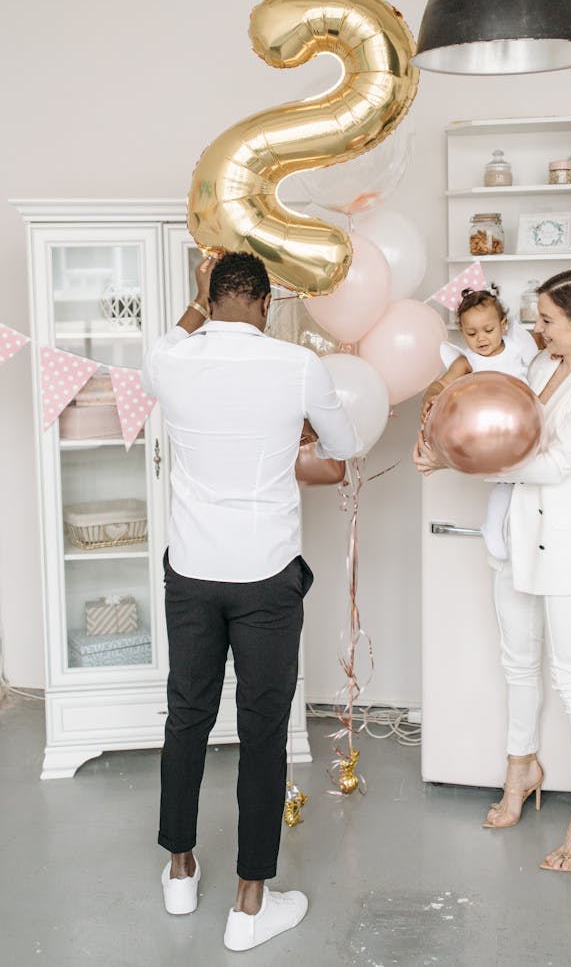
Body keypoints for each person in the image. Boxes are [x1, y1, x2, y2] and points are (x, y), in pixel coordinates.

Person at [142, 251, 360, 950]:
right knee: (263, 730)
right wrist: (290, 429)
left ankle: (180, 872)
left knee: (187, 716)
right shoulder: (296, 364)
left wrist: (196, 302)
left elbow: (174, 338)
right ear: (267, 304)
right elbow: (346, 443)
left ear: (211, 298)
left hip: (194, 571)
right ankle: (249, 904)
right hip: (265, 575)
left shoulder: (169, 362)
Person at [414, 269, 571, 873]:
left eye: (545, 320)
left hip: (566, 546)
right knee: (517, 661)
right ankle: (522, 767)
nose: (534, 331)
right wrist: (443, 447)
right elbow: (501, 429)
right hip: (517, 538)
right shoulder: (540, 368)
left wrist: (464, 466)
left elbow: (555, 462)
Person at [420, 285, 539, 559]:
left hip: (519, 429)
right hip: (485, 434)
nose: (481, 339)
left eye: (488, 330)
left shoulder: (518, 349)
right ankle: (494, 528)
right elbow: (440, 385)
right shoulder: (467, 361)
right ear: (462, 333)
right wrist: (432, 398)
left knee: (522, 483)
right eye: (471, 333)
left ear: (503, 325)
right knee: (506, 482)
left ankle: (511, 534)